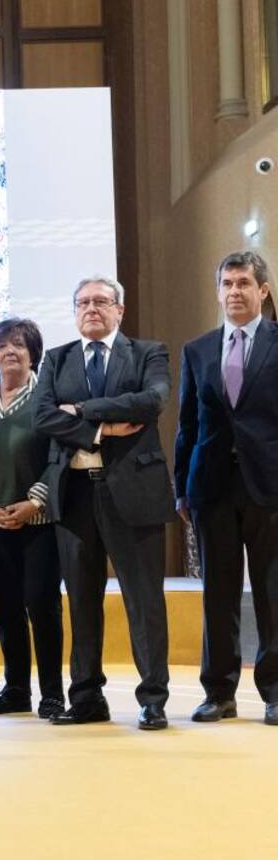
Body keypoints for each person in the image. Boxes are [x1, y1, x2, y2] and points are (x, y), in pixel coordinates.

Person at [35, 275, 174, 730]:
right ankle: (87, 697)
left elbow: (151, 401)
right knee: (81, 600)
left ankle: (153, 698)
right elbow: (42, 416)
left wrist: (83, 410)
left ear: (120, 310)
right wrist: (101, 431)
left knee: (144, 600)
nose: (91, 308)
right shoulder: (56, 359)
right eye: (82, 302)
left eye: (101, 301)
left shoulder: (149, 352)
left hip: (133, 494)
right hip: (74, 496)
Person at [174, 251, 278, 726]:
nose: (234, 292)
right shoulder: (197, 350)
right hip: (211, 487)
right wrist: (181, 489)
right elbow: (187, 425)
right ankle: (218, 693)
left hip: (269, 487)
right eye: (227, 284)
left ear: (263, 291)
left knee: (273, 591)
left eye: (243, 283)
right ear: (217, 291)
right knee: (218, 592)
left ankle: (275, 692)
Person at [0, 318, 64, 720]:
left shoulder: (47, 400)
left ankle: (53, 694)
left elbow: (60, 459)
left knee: (42, 607)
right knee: (5, 608)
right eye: (3, 345)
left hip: (39, 524)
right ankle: (16, 689)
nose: (10, 352)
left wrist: (33, 503)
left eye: (19, 345)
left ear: (32, 354)